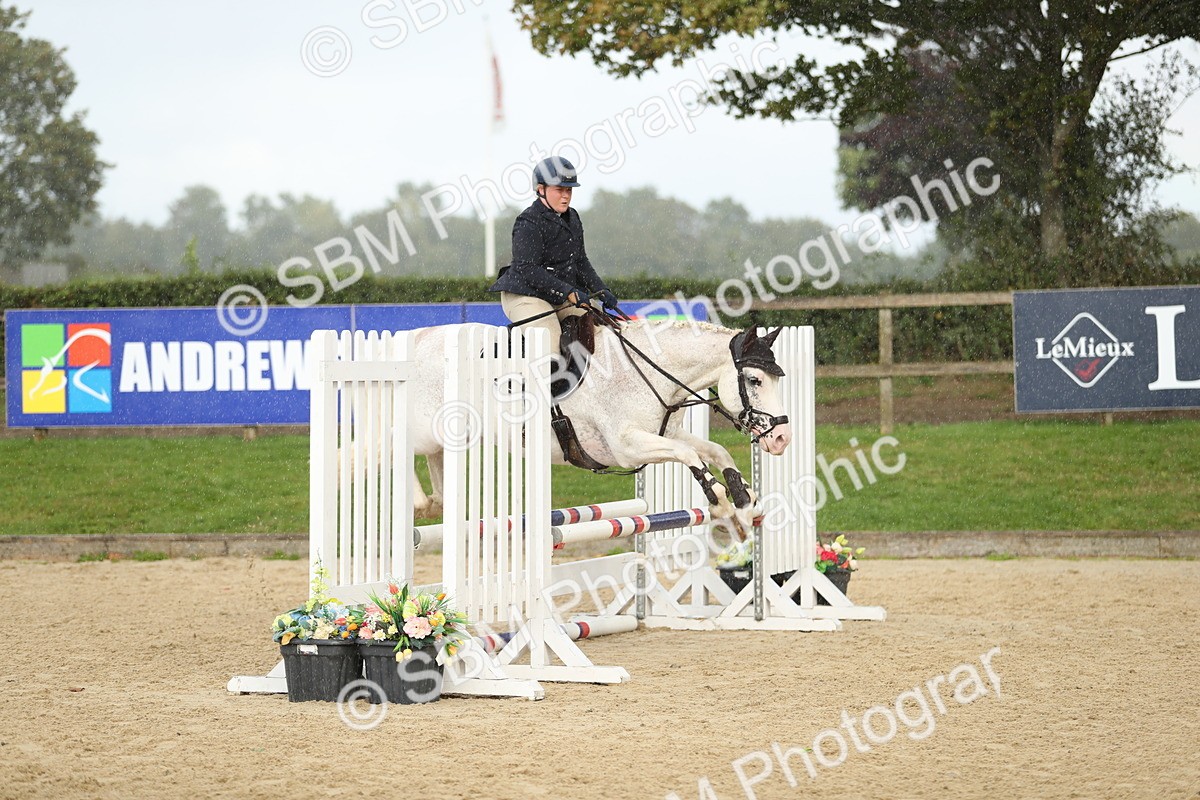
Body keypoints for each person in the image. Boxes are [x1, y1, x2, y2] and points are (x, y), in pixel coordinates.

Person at [489, 157, 619, 362]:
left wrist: (603, 291)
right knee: (549, 343)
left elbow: (581, 261)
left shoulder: (573, 217)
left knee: (602, 326)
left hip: (557, 296)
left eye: (569, 190)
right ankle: (534, 391)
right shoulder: (528, 222)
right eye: (559, 190)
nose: (566, 196)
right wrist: (569, 292)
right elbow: (529, 269)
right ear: (541, 189)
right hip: (525, 295)